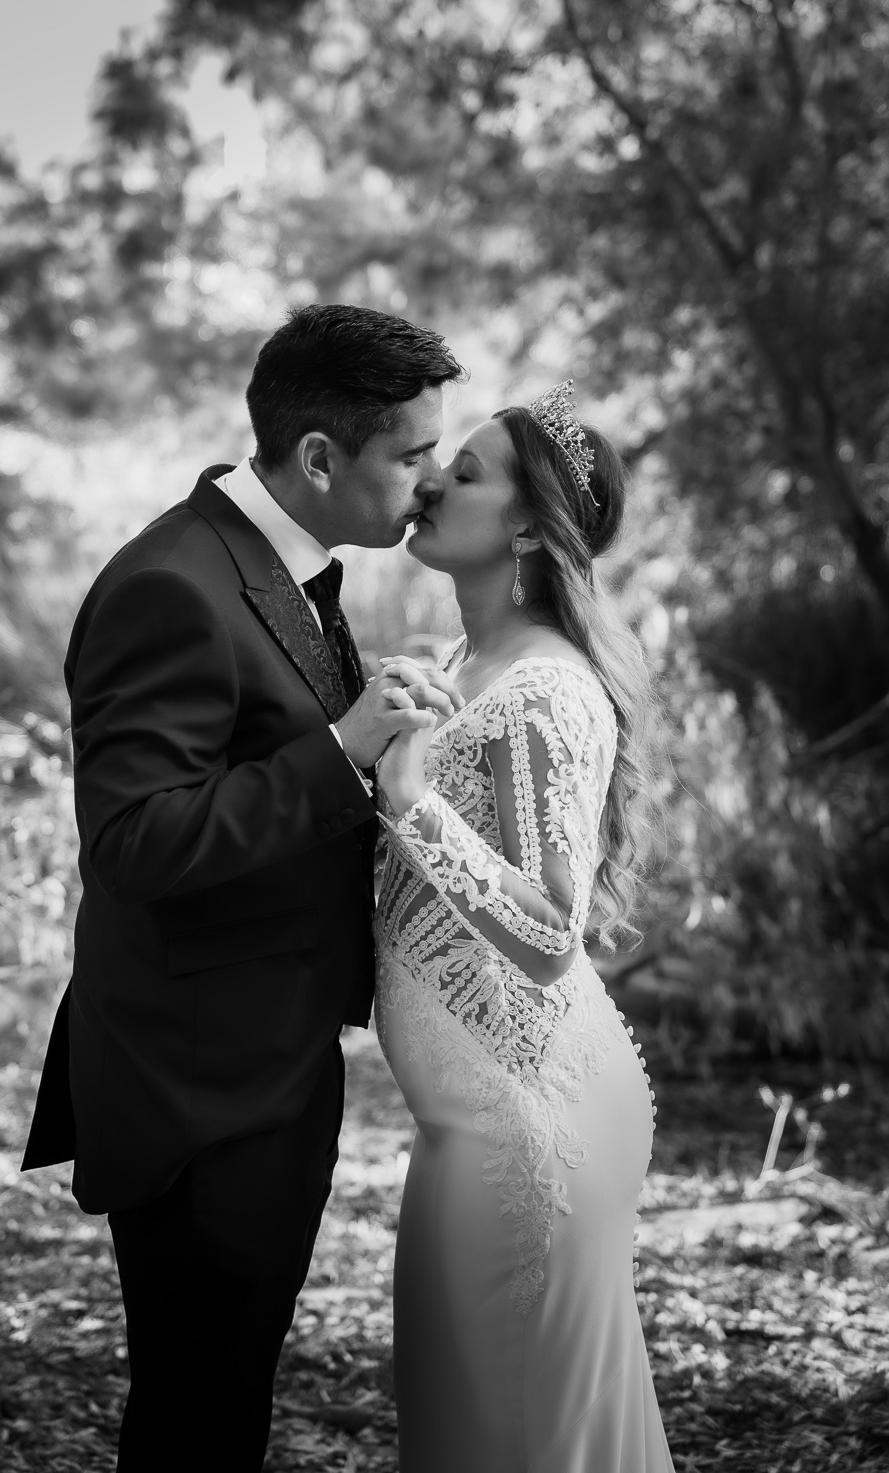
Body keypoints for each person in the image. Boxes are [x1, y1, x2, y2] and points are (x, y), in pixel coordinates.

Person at [21, 304, 466, 1472]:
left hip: (266, 1061)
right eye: (413, 455)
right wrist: (342, 748)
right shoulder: (169, 584)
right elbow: (133, 842)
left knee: (226, 1395)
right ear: (318, 458)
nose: (430, 480)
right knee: (198, 1411)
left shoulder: (279, 565)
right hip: (196, 1090)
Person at [373, 382, 676, 1472]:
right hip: (470, 1112)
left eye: (465, 473)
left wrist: (411, 802)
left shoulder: (546, 690)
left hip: (526, 1121)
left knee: (508, 1436)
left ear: (528, 532)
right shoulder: (464, 666)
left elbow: (549, 935)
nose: (429, 483)